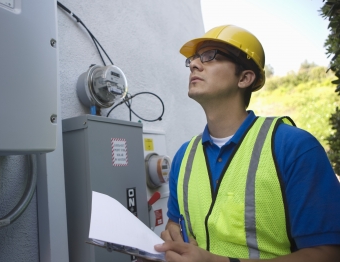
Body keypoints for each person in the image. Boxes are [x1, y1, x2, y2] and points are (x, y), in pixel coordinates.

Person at [141, 25, 340, 262]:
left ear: (245, 78)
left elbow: (328, 253)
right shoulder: (184, 156)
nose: (194, 64)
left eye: (210, 56)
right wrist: (173, 234)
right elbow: (175, 223)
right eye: (193, 59)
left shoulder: (293, 147)